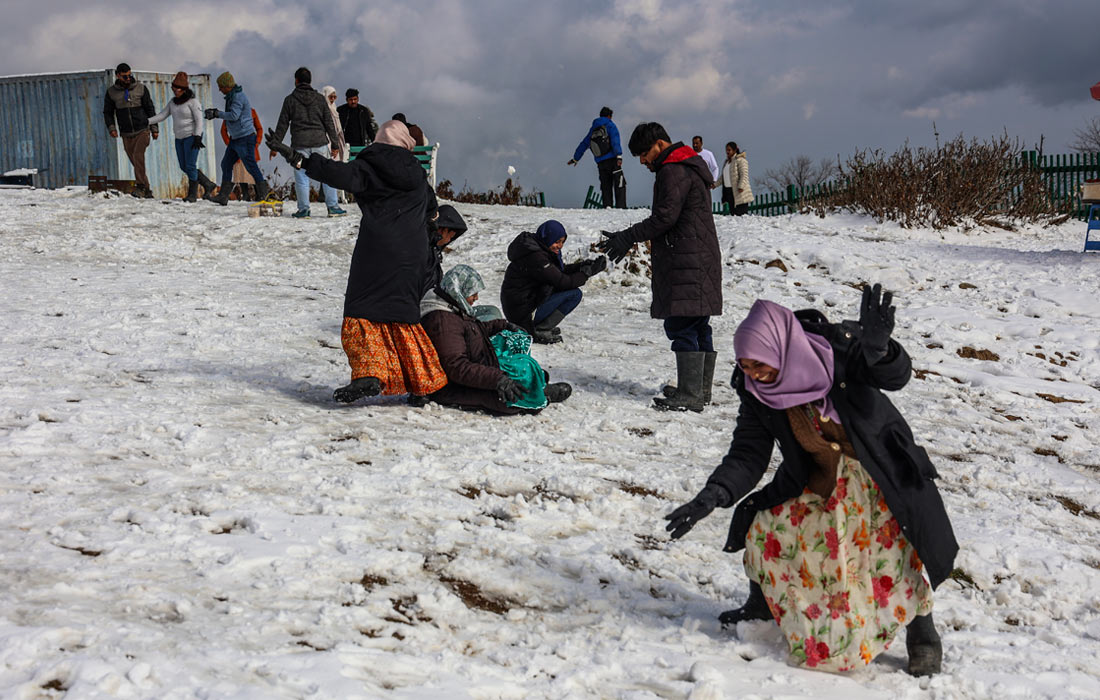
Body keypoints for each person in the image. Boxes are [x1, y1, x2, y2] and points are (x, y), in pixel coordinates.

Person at [663, 288, 957, 676]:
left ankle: (923, 634)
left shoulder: (838, 350)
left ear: (780, 347)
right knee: (766, 527)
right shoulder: (755, 390)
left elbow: (894, 377)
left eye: (760, 364)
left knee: (892, 554)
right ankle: (763, 605)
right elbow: (748, 453)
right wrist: (713, 495)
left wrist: (880, 351)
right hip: (818, 476)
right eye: (746, 365)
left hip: (878, 471)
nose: (754, 374)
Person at [266, 120, 447, 404]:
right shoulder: (416, 172)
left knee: (361, 309)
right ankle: (421, 385)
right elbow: (432, 209)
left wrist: (297, 158)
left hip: (378, 248)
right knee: (404, 313)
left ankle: (369, 373)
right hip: (412, 252)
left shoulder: (370, 165)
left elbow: (336, 173)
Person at [599, 122, 722, 411]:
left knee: (682, 323)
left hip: (685, 260)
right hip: (698, 257)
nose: (643, 161)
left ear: (660, 144)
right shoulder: (690, 165)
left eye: (644, 153)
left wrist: (627, 237)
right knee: (697, 322)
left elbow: (665, 218)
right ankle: (699, 391)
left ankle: (691, 395)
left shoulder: (673, 169)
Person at [420, 265, 572, 414]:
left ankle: (535, 386)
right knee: (508, 398)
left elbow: (473, 330)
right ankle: (538, 393)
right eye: (472, 293)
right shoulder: (443, 322)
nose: (476, 298)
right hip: (456, 385)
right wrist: (498, 380)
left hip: (479, 361)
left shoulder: (451, 306)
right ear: (458, 290)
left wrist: (503, 325)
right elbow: (457, 367)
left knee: (519, 361)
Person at [501, 220, 606, 344]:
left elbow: (557, 272)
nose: (560, 246)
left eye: (562, 242)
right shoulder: (536, 257)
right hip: (522, 312)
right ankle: (539, 329)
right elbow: (562, 282)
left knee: (563, 289)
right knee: (574, 294)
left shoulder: (538, 248)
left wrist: (581, 266)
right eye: (557, 242)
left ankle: (540, 325)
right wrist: (586, 273)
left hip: (524, 304)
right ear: (547, 238)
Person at [269, 67, 346, 218]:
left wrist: (275, 145)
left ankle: (304, 210)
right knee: (326, 175)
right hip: (320, 143)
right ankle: (333, 207)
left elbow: (282, 124)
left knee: (302, 178)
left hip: (300, 145)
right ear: (310, 81)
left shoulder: (290, 100)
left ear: (296, 81)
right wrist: (335, 144)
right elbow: (329, 123)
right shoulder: (319, 99)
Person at [204, 71, 271, 204]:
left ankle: (264, 194)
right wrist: (217, 113)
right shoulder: (231, 96)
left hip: (245, 138)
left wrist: (217, 114)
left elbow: (234, 115)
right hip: (236, 139)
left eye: (221, 87)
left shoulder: (238, 97)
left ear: (227, 86)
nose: (219, 90)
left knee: (251, 166)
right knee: (226, 164)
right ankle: (223, 196)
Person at [147, 71, 215, 202]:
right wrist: (147, 121)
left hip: (192, 136)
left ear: (184, 89)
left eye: (179, 88)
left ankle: (192, 195)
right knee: (183, 166)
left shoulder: (193, 102)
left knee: (190, 165)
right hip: (179, 138)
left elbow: (199, 120)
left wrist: (197, 136)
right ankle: (208, 184)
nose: (176, 91)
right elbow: (162, 115)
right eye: (174, 87)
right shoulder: (173, 103)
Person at [103, 62, 158, 198]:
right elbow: (108, 112)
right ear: (118, 76)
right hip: (126, 133)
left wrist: (154, 128)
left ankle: (140, 187)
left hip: (142, 130)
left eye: (129, 75)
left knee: (139, 156)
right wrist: (111, 128)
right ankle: (147, 190)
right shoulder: (111, 92)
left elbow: (150, 108)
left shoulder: (141, 88)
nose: (128, 79)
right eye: (124, 76)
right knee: (135, 162)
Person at [568, 106, 625, 209]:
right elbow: (615, 140)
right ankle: (621, 208)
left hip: (601, 163)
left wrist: (575, 158)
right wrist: (619, 156)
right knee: (619, 182)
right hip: (612, 160)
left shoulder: (593, 129)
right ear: (609, 116)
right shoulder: (610, 125)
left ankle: (607, 207)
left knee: (605, 185)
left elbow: (584, 144)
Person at [220, 109, 264, 200]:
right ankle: (245, 195)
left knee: (252, 170)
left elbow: (259, 128)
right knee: (240, 172)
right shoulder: (230, 113)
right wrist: (230, 145)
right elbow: (223, 131)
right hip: (236, 147)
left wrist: (257, 142)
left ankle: (260, 195)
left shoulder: (251, 112)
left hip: (249, 146)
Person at [721, 142, 753, 215]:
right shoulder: (727, 162)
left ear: (735, 150)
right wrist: (715, 184)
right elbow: (723, 176)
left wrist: (741, 186)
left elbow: (744, 174)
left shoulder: (740, 160)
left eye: (729, 150)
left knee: (741, 214)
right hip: (729, 191)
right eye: (726, 150)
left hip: (739, 191)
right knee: (733, 214)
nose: (727, 152)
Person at [321, 86, 350, 162]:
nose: (333, 99)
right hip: (326, 142)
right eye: (330, 97)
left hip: (336, 141)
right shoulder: (322, 109)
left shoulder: (334, 108)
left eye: (335, 97)